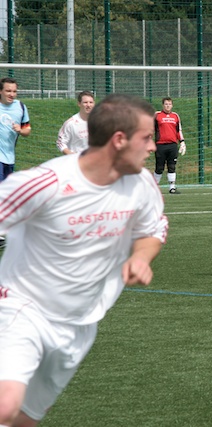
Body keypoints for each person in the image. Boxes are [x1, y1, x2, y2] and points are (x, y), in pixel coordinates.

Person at [0, 93, 168, 427]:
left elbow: (153, 229)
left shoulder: (142, 183)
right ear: (119, 140)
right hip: (22, 307)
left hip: (81, 324)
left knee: (23, 420)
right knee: (5, 404)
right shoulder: (47, 183)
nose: (153, 147)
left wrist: (141, 257)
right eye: (147, 138)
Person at [0, 77, 31, 250]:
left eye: (14, 91)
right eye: (8, 91)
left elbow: (27, 129)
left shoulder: (20, 107)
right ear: (0, 91)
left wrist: (21, 130)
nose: (11, 94)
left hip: (9, 158)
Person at [154, 97, 186, 194]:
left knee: (172, 166)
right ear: (163, 105)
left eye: (169, 104)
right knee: (159, 167)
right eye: (166, 104)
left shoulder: (175, 116)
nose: (168, 106)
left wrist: (182, 142)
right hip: (160, 145)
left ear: (172, 105)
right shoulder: (157, 115)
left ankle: (172, 188)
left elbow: (178, 131)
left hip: (172, 145)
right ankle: (153, 188)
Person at [56, 91, 95, 155]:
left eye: (91, 102)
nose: (88, 105)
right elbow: (60, 143)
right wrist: (72, 156)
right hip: (77, 160)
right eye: (85, 102)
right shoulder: (71, 123)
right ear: (79, 104)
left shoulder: (98, 121)